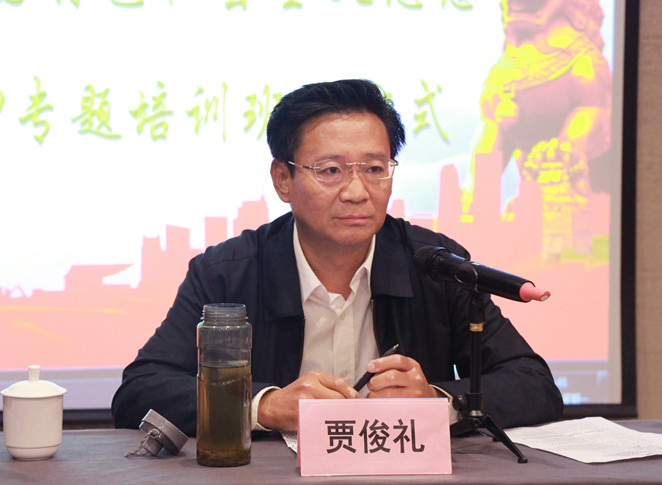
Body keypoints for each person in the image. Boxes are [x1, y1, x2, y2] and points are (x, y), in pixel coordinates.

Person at [111, 79, 563, 436]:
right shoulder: (226, 274)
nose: (356, 191)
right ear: (283, 179)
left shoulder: (435, 266)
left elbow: (533, 384)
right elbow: (140, 391)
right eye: (330, 170)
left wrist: (437, 402)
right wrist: (263, 407)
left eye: (375, 169)